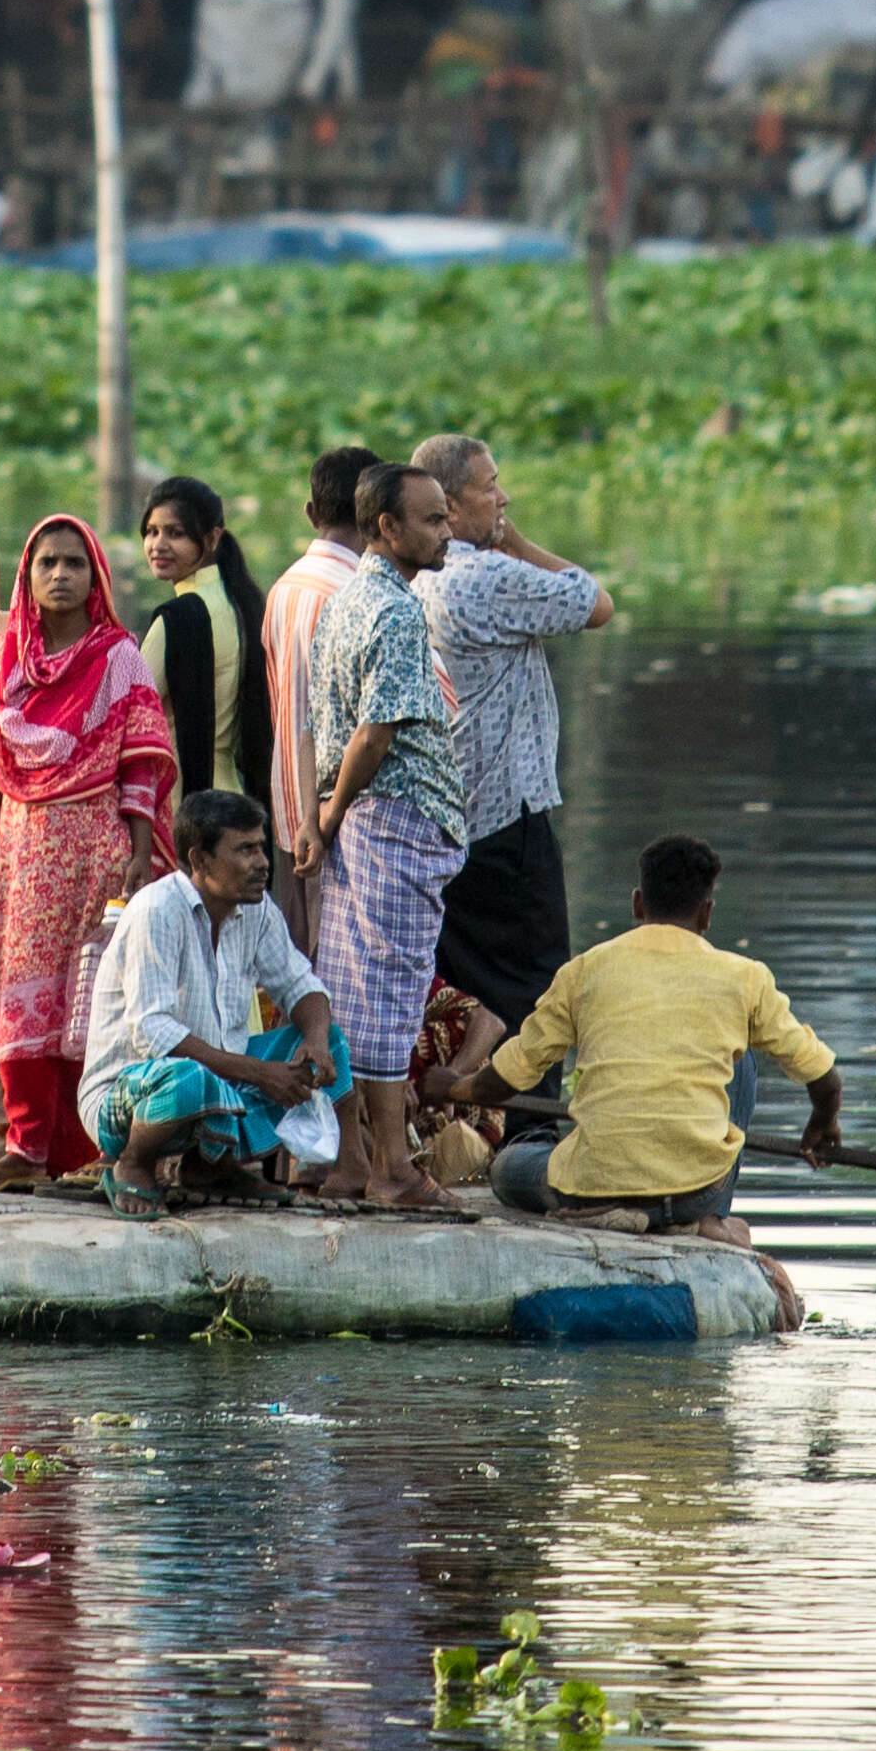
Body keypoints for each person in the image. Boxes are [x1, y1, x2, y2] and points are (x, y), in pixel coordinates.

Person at [432, 834, 840, 1236]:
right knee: (744, 1054)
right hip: (693, 1193)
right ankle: (709, 1217)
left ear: (637, 904)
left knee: (507, 1170)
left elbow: (506, 1080)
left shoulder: (584, 972)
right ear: (707, 914)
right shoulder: (746, 978)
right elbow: (822, 1075)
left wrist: (455, 1086)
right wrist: (822, 1123)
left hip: (589, 1189)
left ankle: (620, 1208)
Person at [0, 513, 177, 1182]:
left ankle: (87, 1151)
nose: (60, 575)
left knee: (90, 994)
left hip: (96, 844)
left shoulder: (120, 657)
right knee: (24, 994)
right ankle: (29, 1149)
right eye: (47, 563)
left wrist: (141, 853)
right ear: (26, 575)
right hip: (23, 850)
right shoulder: (1, 661)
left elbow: (143, 761)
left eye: (74, 564)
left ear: (95, 579)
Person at [292, 460, 471, 1211]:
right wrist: (328, 816)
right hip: (389, 816)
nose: (448, 530)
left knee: (348, 986)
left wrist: (321, 813)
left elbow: (315, 720)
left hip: (360, 816)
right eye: (432, 519)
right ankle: (393, 1168)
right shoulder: (393, 610)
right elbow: (374, 732)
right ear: (387, 528)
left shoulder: (346, 599)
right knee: (392, 993)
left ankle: (350, 1160)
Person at [404, 430, 605, 1033]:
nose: (504, 499)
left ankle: (467, 1120)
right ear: (452, 507)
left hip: (441, 816)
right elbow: (595, 602)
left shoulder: (409, 581)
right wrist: (512, 542)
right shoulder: (486, 577)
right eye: (491, 488)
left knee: (461, 984)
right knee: (534, 991)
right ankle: (527, 1125)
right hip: (507, 822)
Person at [79, 790, 342, 1214]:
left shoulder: (255, 910)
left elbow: (301, 984)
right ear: (199, 859)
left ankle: (209, 1166)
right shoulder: (156, 909)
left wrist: (315, 1041)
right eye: (245, 850)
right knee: (190, 1080)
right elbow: (154, 1032)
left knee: (333, 1044)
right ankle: (131, 1164)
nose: (262, 862)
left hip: (219, 1080)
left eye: (261, 846)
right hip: (126, 1098)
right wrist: (261, 1073)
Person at [258, 445, 384, 867]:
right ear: (377, 517)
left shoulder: (282, 589)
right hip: (346, 819)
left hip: (290, 809)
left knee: (299, 931)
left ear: (312, 513)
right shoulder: (362, 595)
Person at [126, 473, 268, 808]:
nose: (158, 545)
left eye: (175, 533)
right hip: (236, 794)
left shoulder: (178, 618)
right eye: (151, 532)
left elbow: (129, 713)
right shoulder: (241, 603)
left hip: (185, 799)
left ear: (212, 537)